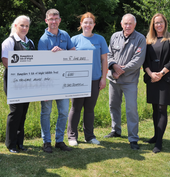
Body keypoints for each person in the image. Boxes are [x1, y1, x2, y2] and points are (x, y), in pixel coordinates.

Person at [104, 13, 146, 150]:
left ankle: (133, 138)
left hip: (129, 81)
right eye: (125, 23)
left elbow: (138, 61)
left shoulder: (140, 39)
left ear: (135, 25)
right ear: (121, 24)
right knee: (113, 105)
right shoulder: (114, 36)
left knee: (131, 109)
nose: (127, 26)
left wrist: (121, 70)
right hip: (113, 79)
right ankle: (116, 130)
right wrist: (114, 67)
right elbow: (109, 54)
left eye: (130, 24)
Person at [67, 12, 109, 146]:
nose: (88, 25)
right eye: (85, 22)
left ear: (94, 25)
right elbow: (67, 59)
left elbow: (104, 60)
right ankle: (72, 136)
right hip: (78, 80)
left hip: (95, 79)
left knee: (90, 109)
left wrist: (103, 78)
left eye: (90, 23)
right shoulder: (74, 39)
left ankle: (89, 136)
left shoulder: (100, 39)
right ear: (81, 24)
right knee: (76, 108)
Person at [38, 8, 75, 153]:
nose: (53, 21)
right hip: (48, 82)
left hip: (63, 82)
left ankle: (59, 140)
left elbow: (73, 52)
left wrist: (63, 52)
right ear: (46, 21)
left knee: (64, 111)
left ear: (59, 20)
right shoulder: (43, 39)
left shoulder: (65, 34)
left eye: (56, 19)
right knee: (46, 112)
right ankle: (46, 141)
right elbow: (41, 62)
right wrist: (50, 54)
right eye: (51, 19)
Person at [143, 13, 170, 153]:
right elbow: (144, 60)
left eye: (161, 22)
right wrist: (151, 74)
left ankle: (159, 142)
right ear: (153, 25)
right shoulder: (148, 40)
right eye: (156, 23)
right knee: (154, 108)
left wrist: (162, 73)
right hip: (152, 78)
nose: (158, 25)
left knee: (161, 109)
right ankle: (155, 135)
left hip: (166, 78)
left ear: (165, 23)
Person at [1, 15, 35, 153]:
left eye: (27, 26)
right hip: (14, 82)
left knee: (23, 112)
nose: (25, 28)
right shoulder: (9, 42)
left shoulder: (30, 42)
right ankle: (11, 144)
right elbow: (5, 61)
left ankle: (20, 143)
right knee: (15, 112)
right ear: (15, 26)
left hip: (27, 82)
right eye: (22, 25)